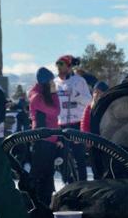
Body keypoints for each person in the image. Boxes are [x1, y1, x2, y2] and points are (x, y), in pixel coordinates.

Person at [54, 54, 90, 182]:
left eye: (62, 64)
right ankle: (68, 184)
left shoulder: (79, 81)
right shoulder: (54, 82)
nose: (59, 67)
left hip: (76, 123)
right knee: (62, 158)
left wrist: (77, 95)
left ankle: (83, 184)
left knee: (79, 157)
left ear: (69, 66)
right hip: (60, 125)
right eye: (57, 65)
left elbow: (89, 101)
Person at [28, 67, 61, 208]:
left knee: (48, 174)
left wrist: (58, 138)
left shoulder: (44, 94)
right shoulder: (37, 97)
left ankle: (45, 204)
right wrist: (54, 93)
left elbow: (54, 116)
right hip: (41, 140)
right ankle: (34, 203)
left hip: (50, 139)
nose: (54, 84)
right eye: (51, 81)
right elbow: (55, 111)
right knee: (39, 174)